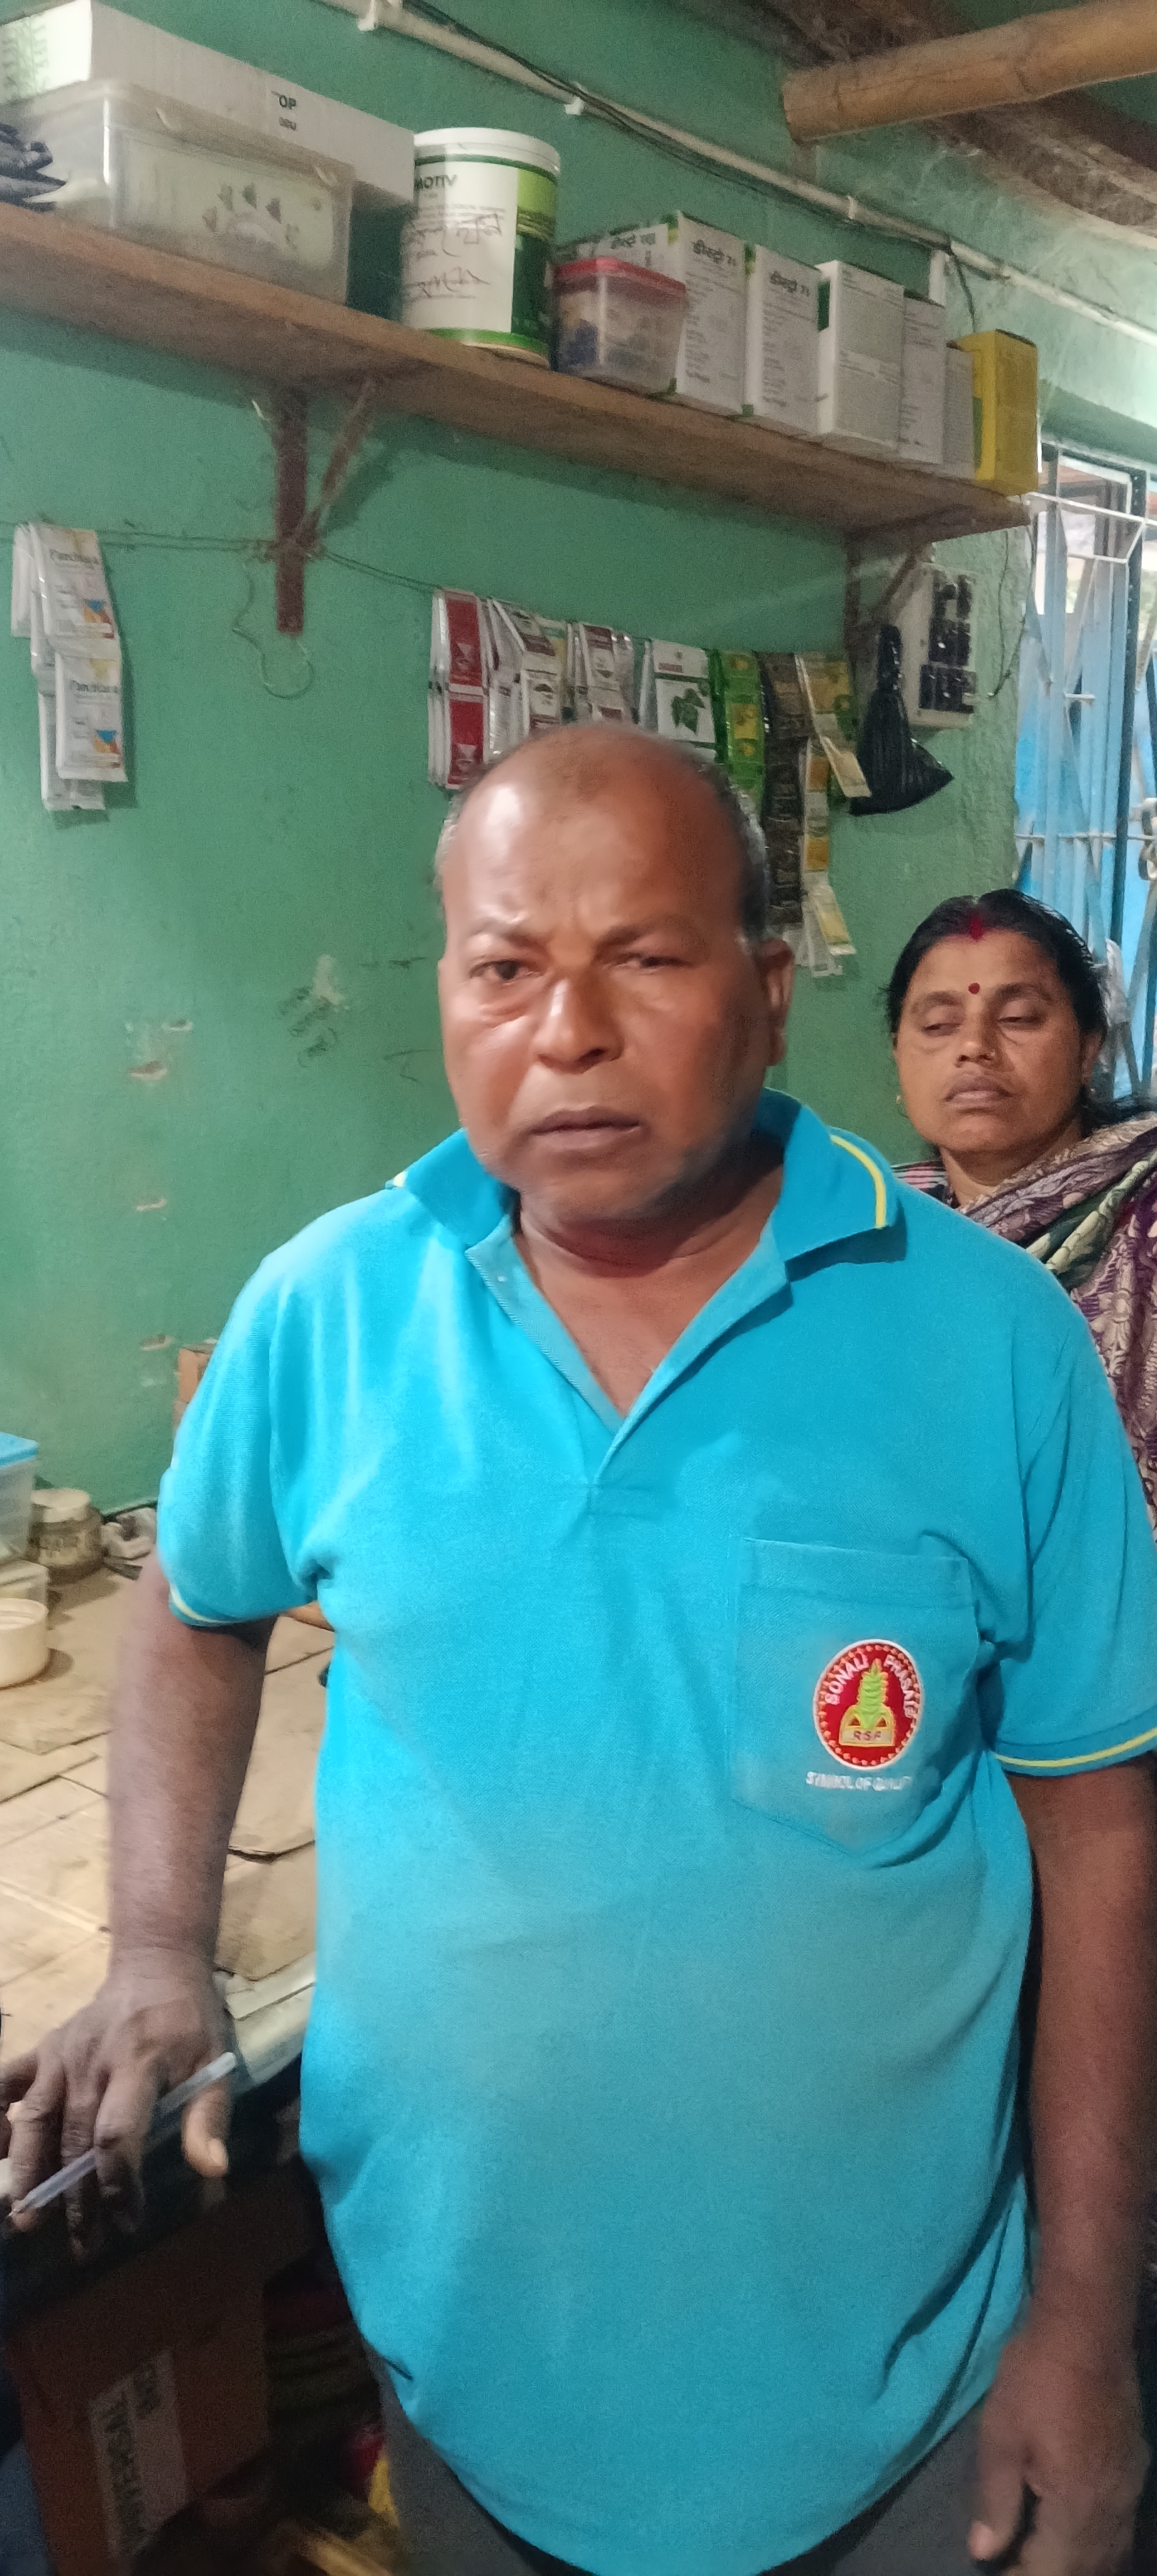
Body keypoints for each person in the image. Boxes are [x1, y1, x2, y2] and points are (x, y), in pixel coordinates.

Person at [3, 733, 1157, 2576]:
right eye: (503, 966)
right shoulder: (328, 1310)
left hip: (907, 2404)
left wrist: (1086, 2327)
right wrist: (155, 1947)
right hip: (467, 2376)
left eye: (643, 957)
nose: (566, 1030)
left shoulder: (991, 1342)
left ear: (766, 996)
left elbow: (1098, 1834)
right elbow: (196, 1605)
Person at [890, 887, 1157, 1523]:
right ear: (897, 1055)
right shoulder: (867, 1231)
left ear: (1088, 1048)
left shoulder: (1144, 1215)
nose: (974, 1046)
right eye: (938, 1025)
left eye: (1018, 1018)